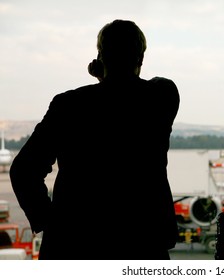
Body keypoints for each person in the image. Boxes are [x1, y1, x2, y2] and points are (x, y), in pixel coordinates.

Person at [10, 19, 180, 260]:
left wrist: (51, 222)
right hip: (142, 243)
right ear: (140, 58)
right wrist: (105, 77)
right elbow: (129, 95)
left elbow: (23, 170)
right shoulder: (160, 98)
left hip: (74, 245)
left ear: (101, 55)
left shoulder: (68, 105)